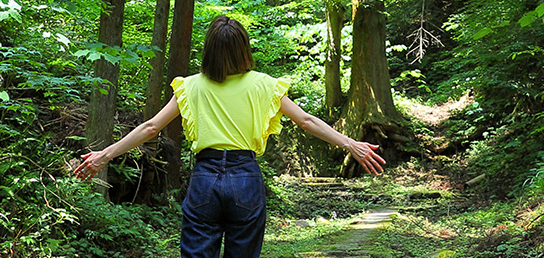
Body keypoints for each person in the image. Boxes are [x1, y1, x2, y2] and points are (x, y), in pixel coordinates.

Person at [74, 15, 385, 258]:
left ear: (208, 50)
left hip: (205, 178)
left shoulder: (190, 85)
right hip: (246, 180)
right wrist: (350, 144)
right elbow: (305, 120)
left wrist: (104, 155)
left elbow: (150, 128)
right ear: (243, 49)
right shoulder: (265, 85)